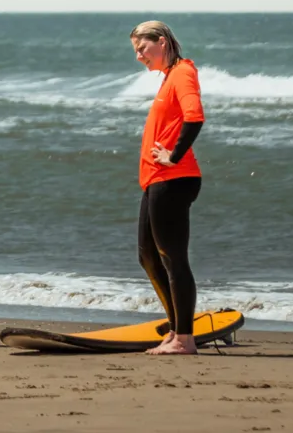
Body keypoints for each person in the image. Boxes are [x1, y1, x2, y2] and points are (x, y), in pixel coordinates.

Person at [129, 21, 206, 356]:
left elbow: (195, 117)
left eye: (142, 48)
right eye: (136, 51)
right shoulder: (168, 78)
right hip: (156, 180)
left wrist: (174, 155)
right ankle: (176, 329)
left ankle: (184, 339)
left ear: (161, 41)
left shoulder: (183, 73)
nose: (139, 56)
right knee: (148, 256)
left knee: (173, 259)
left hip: (174, 179)